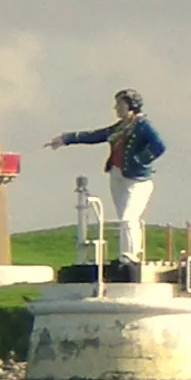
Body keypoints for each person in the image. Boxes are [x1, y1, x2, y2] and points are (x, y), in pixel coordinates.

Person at [45, 88, 166, 264]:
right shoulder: (120, 127)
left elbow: (159, 146)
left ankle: (130, 255)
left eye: (120, 104)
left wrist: (139, 160)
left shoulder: (142, 126)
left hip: (137, 180)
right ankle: (127, 254)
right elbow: (97, 135)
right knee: (124, 218)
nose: (116, 108)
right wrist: (67, 139)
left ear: (131, 106)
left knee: (128, 218)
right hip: (117, 176)